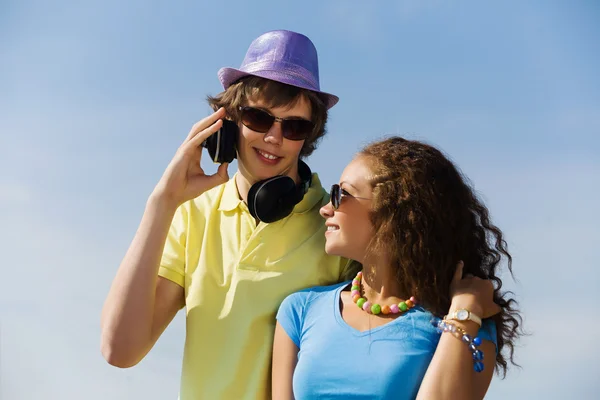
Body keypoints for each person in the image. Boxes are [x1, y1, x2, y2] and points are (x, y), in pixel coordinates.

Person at [100, 30, 356, 400]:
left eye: (294, 125)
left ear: (309, 135)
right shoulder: (192, 215)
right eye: (258, 117)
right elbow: (119, 351)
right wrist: (161, 204)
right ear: (228, 120)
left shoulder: (334, 224)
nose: (274, 137)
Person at [272, 137, 522, 400]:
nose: (325, 209)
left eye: (341, 194)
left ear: (395, 211)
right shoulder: (300, 310)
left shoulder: (466, 321)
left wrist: (465, 312)